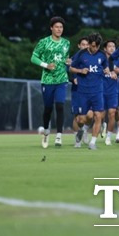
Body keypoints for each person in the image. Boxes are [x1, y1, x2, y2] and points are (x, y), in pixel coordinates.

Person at [31, 16, 71, 148]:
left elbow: (65, 60)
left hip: (62, 79)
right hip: (47, 80)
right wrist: (46, 65)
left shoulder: (66, 43)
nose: (59, 29)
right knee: (48, 108)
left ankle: (59, 136)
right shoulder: (44, 42)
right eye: (57, 27)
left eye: (61, 27)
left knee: (60, 105)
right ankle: (46, 132)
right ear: (51, 28)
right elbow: (33, 58)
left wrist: (68, 64)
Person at [69, 33, 108, 150]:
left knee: (98, 115)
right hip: (83, 91)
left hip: (97, 90)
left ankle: (93, 142)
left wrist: (107, 71)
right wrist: (80, 70)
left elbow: (105, 67)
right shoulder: (81, 54)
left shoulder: (102, 55)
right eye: (93, 46)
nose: (94, 48)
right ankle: (81, 129)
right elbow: (71, 68)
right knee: (81, 119)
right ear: (89, 44)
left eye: (97, 46)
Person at [68, 36, 89, 146]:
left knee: (90, 115)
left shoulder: (92, 58)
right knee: (77, 115)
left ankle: (84, 130)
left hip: (90, 91)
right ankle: (77, 139)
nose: (85, 47)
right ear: (79, 46)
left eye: (87, 44)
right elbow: (67, 72)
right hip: (77, 91)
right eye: (83, 44)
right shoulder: (74, 58)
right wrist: (73, 78)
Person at [102, 39, 119, 145]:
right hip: (101, 91)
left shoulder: (118, 60)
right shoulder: (100, 60)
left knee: (112, 114)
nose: (112, 48)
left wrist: (115, 72)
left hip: (113, 91)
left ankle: (108, 137)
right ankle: (102, 125)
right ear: (105, 48)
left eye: (113, 46)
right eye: (109, 46)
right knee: (99, 115)